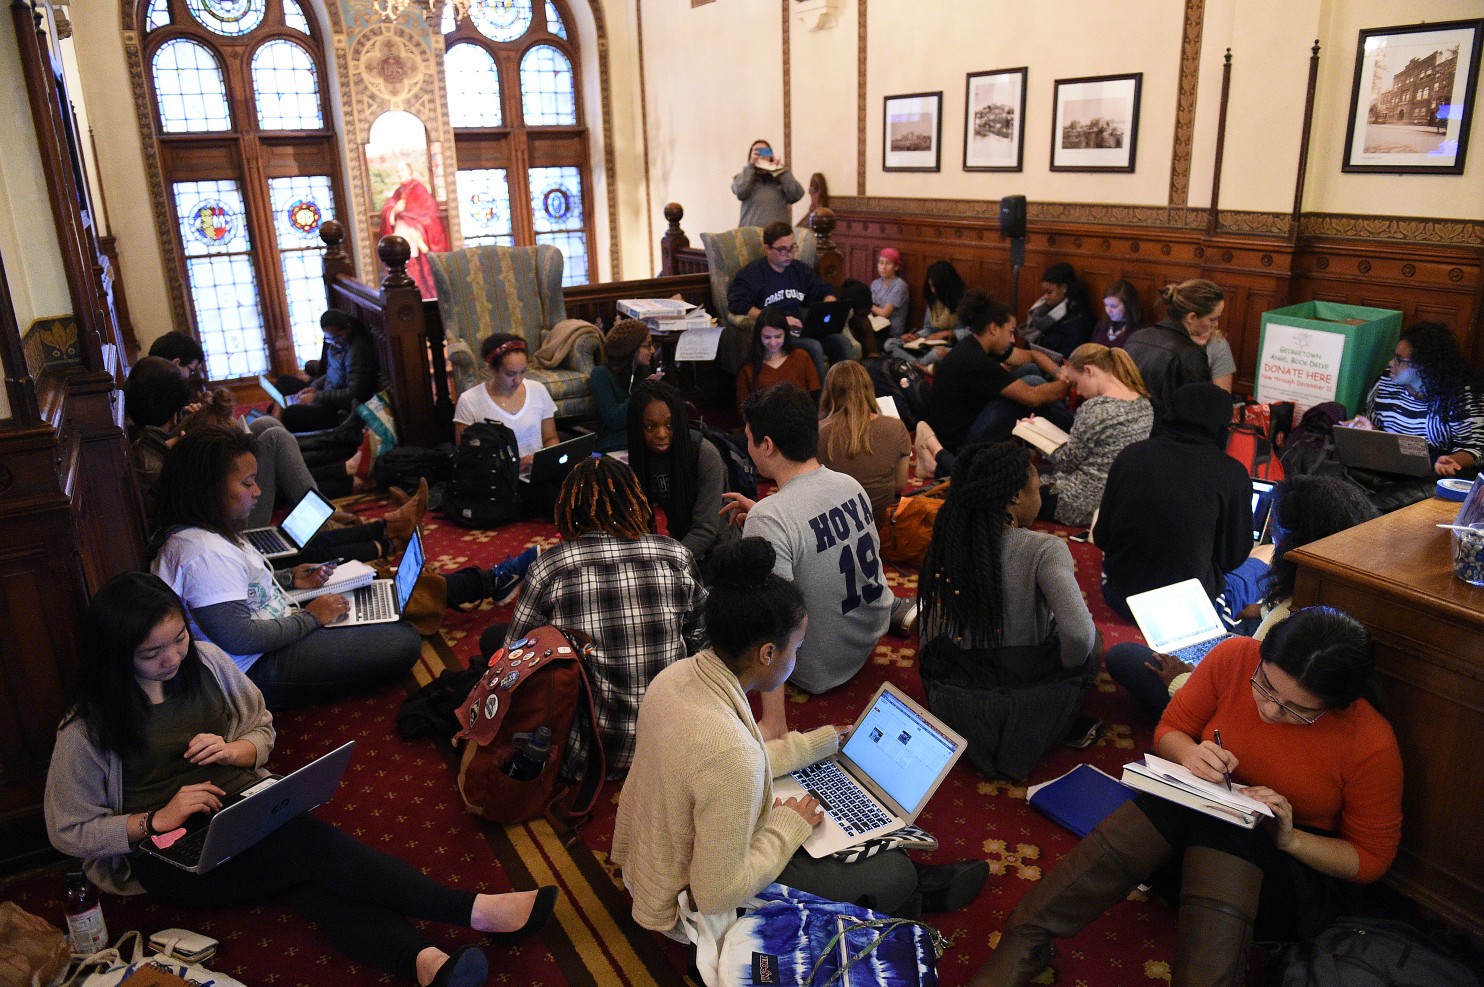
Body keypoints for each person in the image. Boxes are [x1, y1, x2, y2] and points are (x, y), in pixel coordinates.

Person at [45, 572, 556, 987]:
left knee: (308, 878)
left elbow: (261, 726)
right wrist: (154, 819)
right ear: (117, 655)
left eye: (179, 638)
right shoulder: (87, 727)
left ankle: (426, 963)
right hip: (170, 854)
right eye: (151, 653)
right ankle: (471, 910)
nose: (174, 658)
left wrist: (236, 750)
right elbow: (67, 830)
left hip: (242, 805)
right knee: (310, 848)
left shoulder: (208, 663)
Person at [971, 605, 1403, 987]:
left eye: (1298, 709)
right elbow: (1170, 730)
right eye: (1266, 686)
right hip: (1190, 852)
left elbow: (1370, 860)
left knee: (1234, 828)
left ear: (1335, 704)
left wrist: (1289, 838)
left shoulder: (1369, 741)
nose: (1270, 710)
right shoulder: (1235, 657)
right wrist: (1191, 754)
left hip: (1286, 879)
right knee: (1176, 802)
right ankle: (1025, 940)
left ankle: (1032, 941)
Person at [610, 538, 989, 937]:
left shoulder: (676, 678)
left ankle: (908, 889)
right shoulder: (730, 754)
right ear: (767, 654)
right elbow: (716, 895)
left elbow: (720, 766)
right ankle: (912, 894)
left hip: (654, 862)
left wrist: (819, 744)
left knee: (839, 842)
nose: (798, 657)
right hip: (688, 902)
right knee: (894, 876)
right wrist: (787, 826)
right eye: (798, 647)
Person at [149, 428, 523, 710]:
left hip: (279, 627)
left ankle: (481, 580)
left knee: (376, 592)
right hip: (258, 668)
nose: (258, 492)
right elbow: (241, 639)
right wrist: (312, 618)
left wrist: (288, 579)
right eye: (247, 483)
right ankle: (485, 580)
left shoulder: (207, 534)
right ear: (210, 488)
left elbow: (242, 593)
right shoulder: (203, 554)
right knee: (404, 641)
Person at [495, 456, 707, 777]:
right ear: (636, 501)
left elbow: (512, 663)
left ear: (568, 507)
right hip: (673, 742)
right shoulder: (675, 555)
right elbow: (702, 641)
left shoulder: (549, 568)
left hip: (589, 754)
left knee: (493, 642)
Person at [1107, 475, 1378, 722]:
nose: (1274, 545)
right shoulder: (1348, 587)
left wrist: (1180, 680)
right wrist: (1260, 611)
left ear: (1296, 545)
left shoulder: (1290, 615)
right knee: (1230, 628)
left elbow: (1249, 702)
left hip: (1238, 707)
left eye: (1277, 537)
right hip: (1267, 669)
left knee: (1123, 656)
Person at [720, 384, 904, 740]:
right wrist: (763, 517)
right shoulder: (848, 484)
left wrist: (774, 721)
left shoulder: (771, 517)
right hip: (868, 636)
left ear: (767, 445)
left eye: (749, 438)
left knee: (733, 606)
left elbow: (771, 619)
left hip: (820, 668)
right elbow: (815, 534)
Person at [917, 443, 1099, 781]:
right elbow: (1079, 636)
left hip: (955, 711)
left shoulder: (947, 541)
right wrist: (1060, 666)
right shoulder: (1044, 549)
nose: (1040, 496)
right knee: (1094, 640)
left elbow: (930, 637)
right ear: (1016, 496)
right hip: (1024, 708)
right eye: (1038, 488)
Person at [1095, 383, 1267, 628]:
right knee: (1267, 553)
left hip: (1120, 596)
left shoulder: (1130, 455)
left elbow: (1102, 537)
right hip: (1186, 610)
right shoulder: (1232, 474)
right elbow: (1232, 559)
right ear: (1222, 426)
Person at [916, 291, 1073, 479]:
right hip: (960, 444)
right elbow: (1033, 397)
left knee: (1029, 369)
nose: (1013, 339)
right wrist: (1067, 383)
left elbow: (1032, 356)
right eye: (1010, 332)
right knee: (1033, 384)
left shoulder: (978, 345)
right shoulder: (975, 360)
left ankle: (1063, 439)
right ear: (993, 329)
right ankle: (1074, 440)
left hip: (966, 423)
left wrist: (1058, 372)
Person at [1034, 343, 1154, 527]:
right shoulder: (1144, 404)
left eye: (1076, 383)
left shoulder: (1095, 409)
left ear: (1089, 371)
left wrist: (1036, 437)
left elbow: (1067, 463)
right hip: (1114, 501)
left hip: (1078, 502)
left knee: (1015, 483)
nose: (1078, 392)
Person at [1352, 321, 1484, 480]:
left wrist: (1449, 461)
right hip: (1388, 463)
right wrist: (1367, 429)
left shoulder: (1460, 394)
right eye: (1394, 356)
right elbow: (1377, 428)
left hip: (1432, 473)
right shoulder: (1386, 380)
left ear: (1425, 365)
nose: (1391, 363)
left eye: (1399, 359)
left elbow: (1477, 449)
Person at [626, 381, 733, 574]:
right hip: (680, 544)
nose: (661, 434)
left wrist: (663, 566)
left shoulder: (705, 454)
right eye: (650, 426)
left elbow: (706, 529)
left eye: (670, 424)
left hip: (719, 552)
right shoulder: (641, 457)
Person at [727, 220, 846, 384]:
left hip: (802, 328)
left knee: (841, 342)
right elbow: (737, 303)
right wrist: (779, 320)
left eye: (792, 248)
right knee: (813, 347)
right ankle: (819, 398)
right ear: (768, 248)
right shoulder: (753, 273)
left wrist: (829, 300)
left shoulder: (799, 270)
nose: (789, 254)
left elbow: (823, 288)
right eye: (783, 249)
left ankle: (847, 394)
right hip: (778, 333)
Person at [816, 361, 911, 533]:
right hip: (881, 524)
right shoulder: (896, 427)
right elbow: (900, 484)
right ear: (869, 389)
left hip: (834, 529)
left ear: (829, 392)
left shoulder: (819, 433)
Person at [1125, 279, 1220, 421]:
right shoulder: (1190, 354)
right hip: (1164, 431)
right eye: (1212, 319)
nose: (1216, 324)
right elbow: (1197, 413)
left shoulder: (1136, 338)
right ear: (1192, 317)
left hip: (1128, 425)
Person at [452, 333, 558, 460]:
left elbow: (550, 438)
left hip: (536, 469)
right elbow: (465, 457)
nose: (518, 380)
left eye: (523, 372)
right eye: (510, 374)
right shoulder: (469, 401)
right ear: (491, 368)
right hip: (494, 472)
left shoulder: (538, 390)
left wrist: (546, 460)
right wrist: (514, 466)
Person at [278, 310, 380, 434]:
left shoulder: (357, 352)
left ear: (348, 329)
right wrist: (314, 387)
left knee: (290, 414)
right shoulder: (336, 344)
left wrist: (317, 397)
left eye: (337, 337)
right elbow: (330, 374)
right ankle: (278, 419)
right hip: (326, 395)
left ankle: (280, 430)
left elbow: (353, 393)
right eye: (330, 339)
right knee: (283, 381)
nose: (334, 343)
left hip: (338, 409)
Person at [380, 160, 449, 300]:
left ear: (410, 171)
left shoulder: (418, 189)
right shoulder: (398, 192)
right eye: (398, 171)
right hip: (401, 237)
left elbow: (430, 215)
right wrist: (395, 210)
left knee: (417, 276)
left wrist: (416, 228)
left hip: (414, 240)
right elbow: (388, 209)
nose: (399, 174)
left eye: (402, 170)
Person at [589, 318, 660, 452]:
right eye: (648, 345)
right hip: (613, 445)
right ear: (632, 348)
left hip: (643, 441)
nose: (652, 350)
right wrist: (642, 392)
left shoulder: (643, 370)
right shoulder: (601, 375)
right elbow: (613, 420)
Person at [883, 259, 965, 368]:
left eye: (936, 287)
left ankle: (916, 364)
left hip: (951, 346)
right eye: (931, 286)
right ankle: (920, 365)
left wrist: (949, 333)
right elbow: (929, 328)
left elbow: (971, 333)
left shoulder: (964, 302)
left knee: (938, 353)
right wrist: (916, 336)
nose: (933, 290)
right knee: (889, 344)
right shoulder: (933, 301)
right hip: (929, 344)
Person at [735, 305, 820, 409]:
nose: (773, 343)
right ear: (758, 336)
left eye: (778, 336)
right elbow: (743, 408)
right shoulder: (748, 368)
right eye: (767, 337)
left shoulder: (802, 357)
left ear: (786, 334)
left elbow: (815, 395)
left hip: (801, 417)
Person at [1021, 262, 1095, 357]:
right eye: (1044, 292)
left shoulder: (1078, 318)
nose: (1045, 297)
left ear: (1064, 288)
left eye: (1049, 292)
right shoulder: (1042, 310)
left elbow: (1067, 355)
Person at [731, 139, 804, 229]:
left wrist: (781, 170)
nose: (761, 154)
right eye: (757, 151)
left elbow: (796, 195)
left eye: (765, 151)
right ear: (750, 156)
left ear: (771, 156)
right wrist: (750, 166)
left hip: (777, 234)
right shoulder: (742, 178)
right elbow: (740, 192)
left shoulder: (781, 178)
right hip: (750, 234)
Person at [1090, 279, 1144, 350]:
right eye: (1106, 305)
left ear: (1128, 306)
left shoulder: (1141, 330)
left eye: (1113, 306)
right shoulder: (1103, 323)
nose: (1108, 310)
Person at [870, 246, 910, 340]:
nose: (883, 267)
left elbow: (885, 313)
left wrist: (865, 304)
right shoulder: (875, 283)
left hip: (891, 334)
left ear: (896, 267)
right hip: (876, 328)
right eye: (881, 263)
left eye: (888, 263)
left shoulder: (900, 285)